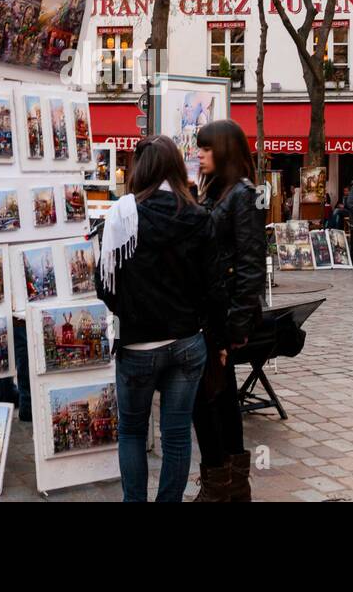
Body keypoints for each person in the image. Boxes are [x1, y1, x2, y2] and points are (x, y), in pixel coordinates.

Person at [96, 134, 215, 503]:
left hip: (139, 343)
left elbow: (105, 287)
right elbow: (212, 286)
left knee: (132, 431)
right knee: (177, 435)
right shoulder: (198, 215)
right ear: (177, 168)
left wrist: (130, 310)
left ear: (139, 170)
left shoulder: (121, 216)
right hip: (186, 341)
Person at [192, 119, 265, 502]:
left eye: (205, 148)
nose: (199, 154)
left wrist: (234, 329)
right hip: (210, 315)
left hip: (224, 319)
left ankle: (223, 486)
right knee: (216, 399)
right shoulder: (216, 193)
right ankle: (229, 486)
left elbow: (252, 265)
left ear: (224, 150)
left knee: (211, 401)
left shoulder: (244, 195)